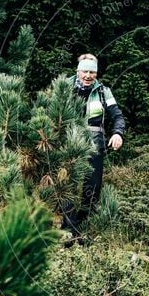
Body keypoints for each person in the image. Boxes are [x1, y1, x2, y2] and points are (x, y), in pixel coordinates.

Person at [60, 53, 125, 242]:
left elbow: (117, 116)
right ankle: (68, 229)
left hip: (95, 142)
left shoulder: (104, 91)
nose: (88, 76)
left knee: (92, 187)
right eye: (85, 71)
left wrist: (117, 133)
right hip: (69, 141)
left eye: (92, 72)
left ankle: (84, 226)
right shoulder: (64, 87)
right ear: (78, 71)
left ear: (96, 73)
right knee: (69, 184)